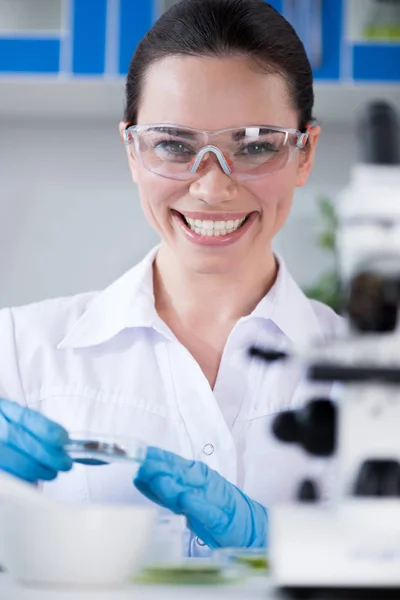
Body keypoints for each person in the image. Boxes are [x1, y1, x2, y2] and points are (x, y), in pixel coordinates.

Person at [0, 0, 342, 555]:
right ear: (133, 152)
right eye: (174, 145)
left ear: (305, 155)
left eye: (254, 146)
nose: (211, 187)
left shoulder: (374, 374)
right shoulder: (19, 354)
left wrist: (285, 547)